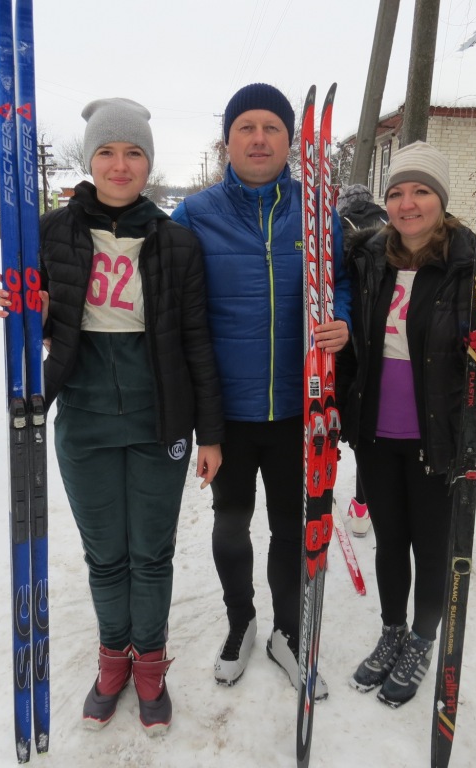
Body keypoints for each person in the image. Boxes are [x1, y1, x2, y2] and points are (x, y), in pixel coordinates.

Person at [0, 98, 224, 735]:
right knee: (106, 557)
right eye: (107, 152)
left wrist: (211, 433)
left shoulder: (177, 242)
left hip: (160, 422)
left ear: (149, 161)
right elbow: (31, 326)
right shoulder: (49, 232)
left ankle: (149, 662)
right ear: (89, 159)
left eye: (133, 153)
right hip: (85, 418)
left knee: (150, 554)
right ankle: (111, 657)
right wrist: (26, 311)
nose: (120, 165)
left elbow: (197, 341)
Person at [171, 83, 351, 697]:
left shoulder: (319, 212)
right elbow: (160, 289)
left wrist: (343, 317)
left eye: (271, 127)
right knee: (230, 523)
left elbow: (342, 282)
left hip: (301, 410)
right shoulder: (195, 215)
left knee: (292, 528)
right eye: (245, 127)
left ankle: (288, 634)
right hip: (226, 411)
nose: (258, 138)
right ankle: (241, 621)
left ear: (289, 140)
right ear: (228, 140)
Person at [337, 141, 476, 707]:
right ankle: (393, 631)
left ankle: (422, 640)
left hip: (440, 434)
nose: (406, 204)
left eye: (420, 192)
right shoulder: (368, 258)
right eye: (396, 192)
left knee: (431, 546)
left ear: (441, 199)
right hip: (375, 430)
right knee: (390, 541)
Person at [334, 183, 387, 536]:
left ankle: (349, 502)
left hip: (349, 328)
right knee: (375, 426)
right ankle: (364, 503)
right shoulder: (387, 222)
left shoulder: (338, 227)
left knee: (349, 413)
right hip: (383, 327)